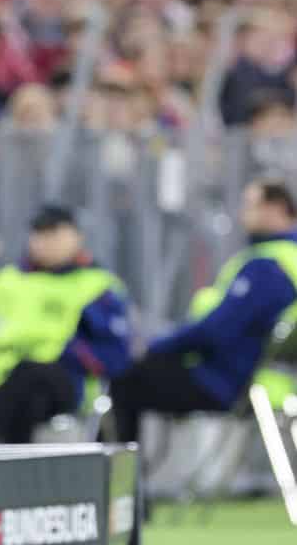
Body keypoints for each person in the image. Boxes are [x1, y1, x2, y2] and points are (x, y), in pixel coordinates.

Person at [112, 178, 297, 446]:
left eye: (250, 205)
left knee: (127, 376)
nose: (243, 213)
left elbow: (217, 329)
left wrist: (155, 347)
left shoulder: (268, 265)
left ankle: (116, 470)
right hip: (255, 377)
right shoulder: (285, 258)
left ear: (276, 208)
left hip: (227, 379)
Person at [0, 205, 133, 444]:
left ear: (77, 237)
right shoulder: (0, 284)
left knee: (30, 381)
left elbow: (115, 357)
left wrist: (73, 352)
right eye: (39, 234)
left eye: (54, 233)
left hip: (63, 379)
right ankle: (2, 455)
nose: (45, 242)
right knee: (25, 392)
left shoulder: (97, 286)